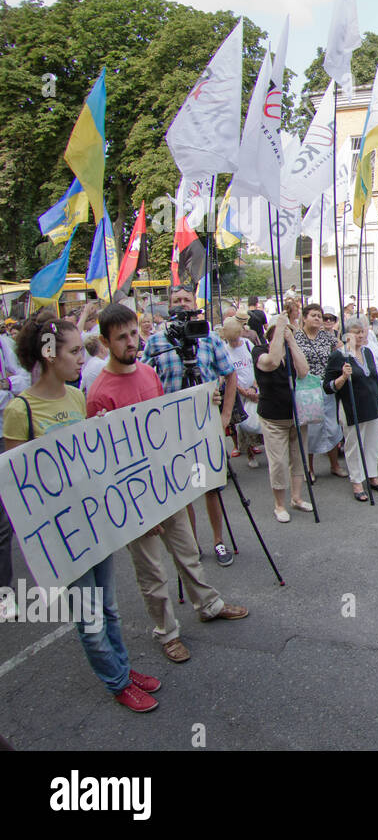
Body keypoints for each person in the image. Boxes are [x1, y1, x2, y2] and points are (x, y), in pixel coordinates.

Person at [3, 316, 161, 711]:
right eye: (74, 351)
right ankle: (116, 681)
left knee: (107, 605)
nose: (83, 357)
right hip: (62, 535)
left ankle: (122, 670)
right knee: (88, 616)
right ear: (48, 354)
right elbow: (15, 485)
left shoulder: (77, 397)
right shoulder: (20, 410)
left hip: (91, 523)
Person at [87, 305, 248, 664]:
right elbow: (107, 463)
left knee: (187, 551)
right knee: (152, 571)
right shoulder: (99, 392)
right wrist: (137, 506)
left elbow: (163, 428)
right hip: (134, 497)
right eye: (122, 337)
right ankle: (167, 633)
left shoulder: (147, 373)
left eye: (133, 334)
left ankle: (208, 604)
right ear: (105, 341)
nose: (131, 342)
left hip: (165, 484)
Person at [142, 285, 237, 566]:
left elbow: (230, 375)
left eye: (186, 299)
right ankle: (192, 545)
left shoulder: (208, 338)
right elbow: (145, 379)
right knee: (184, 490)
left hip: (205, 426)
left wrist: (225, 416)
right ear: (168, 306)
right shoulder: (157, 341)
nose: (182, 304)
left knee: (211, 487)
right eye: (176, 300)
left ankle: (219, 541)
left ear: (194, 303)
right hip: (172, 429)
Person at [254, 314, 313, 523]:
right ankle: (279, 504)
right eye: (278, 332)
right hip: (273, 418)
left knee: (298, 459)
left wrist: (292, 340)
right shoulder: (259, 351)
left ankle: (296, 498)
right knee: (278, 462)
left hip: (297, 415)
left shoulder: (290, 349)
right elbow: (272, 362)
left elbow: (304, 371)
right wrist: (279, 330)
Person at [326, 318, 378, 502]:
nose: (360, 335)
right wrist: (343, 377)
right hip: (352, 406)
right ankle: (357, 481)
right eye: (356, 331)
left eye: (362, 331)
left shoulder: (367, 352)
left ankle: (372, 476)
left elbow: (374, 379)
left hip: (372, 405)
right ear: (347, 334)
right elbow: (328, 386)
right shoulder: (339, 356)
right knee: (354, 445)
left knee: (372, 442)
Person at [294, 303, 346, 482]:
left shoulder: (327, 336)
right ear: (304, 317)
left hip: (326, 386)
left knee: (331, 426)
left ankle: (334, 465)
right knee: (311, 429)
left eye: (320, 316)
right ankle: (308, 468)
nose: (317, 319)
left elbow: (340, 349)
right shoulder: (297, 337)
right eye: (314, 315)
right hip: (307, 388)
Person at [221, 316, 261, 469]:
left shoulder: (247, 344)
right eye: (231, 340)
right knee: (243, 425)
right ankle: (249, 452)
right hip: (238, 392)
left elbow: (257, 365)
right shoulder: (225, 350)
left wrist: (254, 387)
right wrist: (242, 391)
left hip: (253, 387)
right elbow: (227, 375)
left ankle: (257, 445)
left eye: (235, 338)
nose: (234, 342)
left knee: (258, 420)